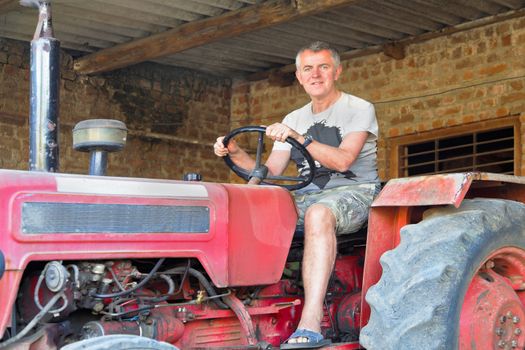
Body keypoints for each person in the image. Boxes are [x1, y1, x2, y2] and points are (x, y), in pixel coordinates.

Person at [213, 41, 379, 349]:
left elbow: (343, 160)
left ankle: (311, 321)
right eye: (308, 69)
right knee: (254, 206)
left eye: (323, 67)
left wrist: (301, 138)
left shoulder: (359, 109)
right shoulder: (294, 118)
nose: (315, 75)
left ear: (337, 72)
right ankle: (241, 301)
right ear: (299, 77)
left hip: (357, 193)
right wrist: (235, 153)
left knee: (319, 213)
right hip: (306, 195)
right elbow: (270, 173)